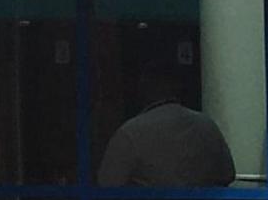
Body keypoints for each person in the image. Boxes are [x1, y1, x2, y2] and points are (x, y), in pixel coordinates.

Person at [96, 57, 236, 188]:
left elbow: (107, 185)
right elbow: (228, 174)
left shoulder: (130, 134)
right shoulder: (207, 126)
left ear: (143, 88)